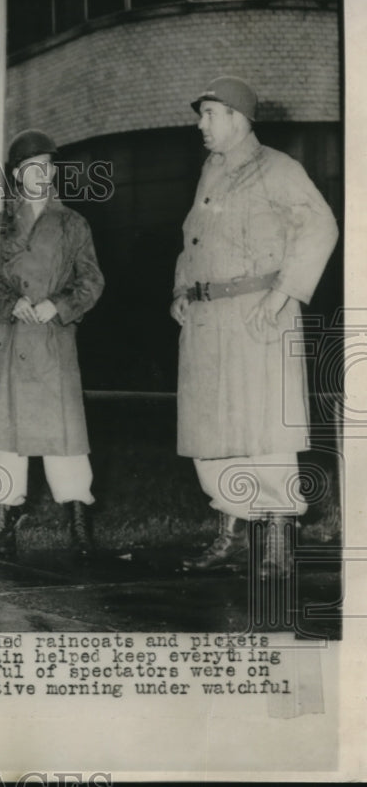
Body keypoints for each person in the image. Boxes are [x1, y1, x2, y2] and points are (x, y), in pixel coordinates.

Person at [172, 76, 338, 578]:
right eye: (201, 115)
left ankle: (278, 545)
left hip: (257, 317)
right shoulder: (211, 171)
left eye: (209, 114)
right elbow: (193, 241)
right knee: (212, 432)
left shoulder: (278, 169)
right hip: (206, 320)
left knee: (265, 431)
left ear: (237, 118)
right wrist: (180, 291)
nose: (201, 124)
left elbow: (320, 226)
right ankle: (230, 536)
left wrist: (283, 291)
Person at [0, 129, 105, 560]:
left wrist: (59, 306)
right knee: (6, 438)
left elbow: (91, 281)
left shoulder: (72, 224)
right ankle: (2, 526)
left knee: (65, 437)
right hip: (9, 342)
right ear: (16, 175)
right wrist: (11, 305)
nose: (40, 176)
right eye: (31, 169)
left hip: (52, 342)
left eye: (46, 167)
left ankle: (80, 528)